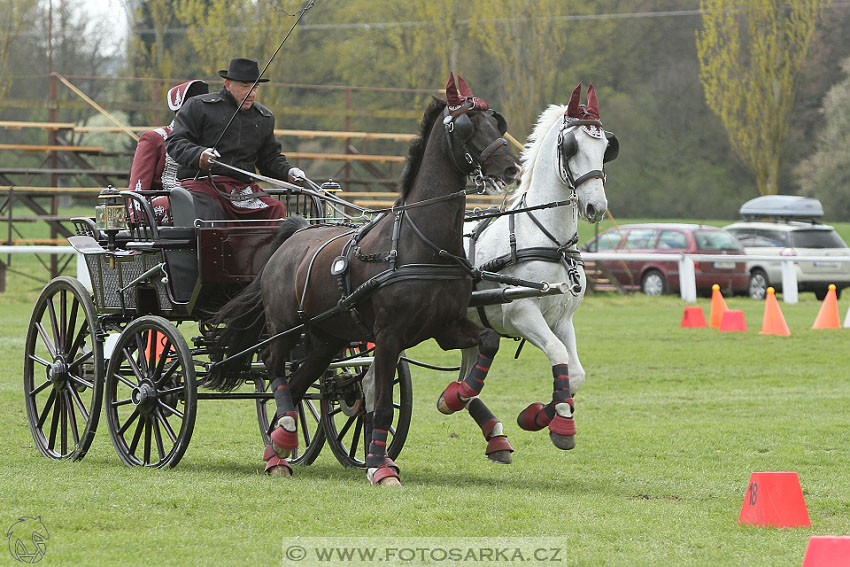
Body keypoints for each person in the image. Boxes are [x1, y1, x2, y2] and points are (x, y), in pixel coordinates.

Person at [165, 57, 304, 222]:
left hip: (243, 190)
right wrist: (199, 155)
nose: (251, 94)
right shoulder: (199, 106)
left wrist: (288, 172)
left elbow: (269, 159)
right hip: (201, 187)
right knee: (210, 216)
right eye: (245, 86)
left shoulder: (264, 117)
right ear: (228, 84)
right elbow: (175, 142)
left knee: (275, 210)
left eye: (255, 87)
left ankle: (261, 249)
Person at [127, 79, 209, 224]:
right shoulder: (154, 138)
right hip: (167, 204)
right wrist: (136, 224)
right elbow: (138, 187)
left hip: (202, 199)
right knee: (184, 203)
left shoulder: (209, 141)